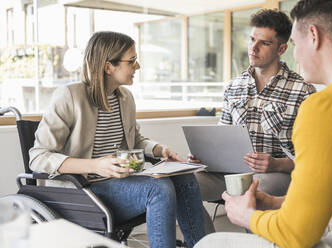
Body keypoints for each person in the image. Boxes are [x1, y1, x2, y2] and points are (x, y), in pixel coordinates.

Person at [195, 0, 332, 247]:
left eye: (296, 45)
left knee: (210, 244)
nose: (297, 54)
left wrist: (248, 217)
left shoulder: (324, 106)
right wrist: (275, 203)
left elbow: (297, 235)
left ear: (314, 36)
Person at [29, 31, 205, 248]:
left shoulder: (124, 98)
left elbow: (135, 140)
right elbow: (38, 157)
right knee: (158, 189)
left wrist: (159, 150)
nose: (137, 66)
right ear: (108, 67)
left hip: (120, 183)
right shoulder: (69, 96)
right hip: (84, 189)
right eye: (131, 61)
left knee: (184, 177)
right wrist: (96, 165)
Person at [192, 9, 316, 233]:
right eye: (251, 39)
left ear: (281, 49)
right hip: (229, 173)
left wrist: (276, 164)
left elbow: (314, 159)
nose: (253, 47)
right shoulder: (233, 86)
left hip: (276, 175)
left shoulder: (303, 91)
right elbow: (223, 135)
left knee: (254, 190)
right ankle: (203, 241)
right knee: (183, 184)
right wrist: (206, 155)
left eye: (264, 43)